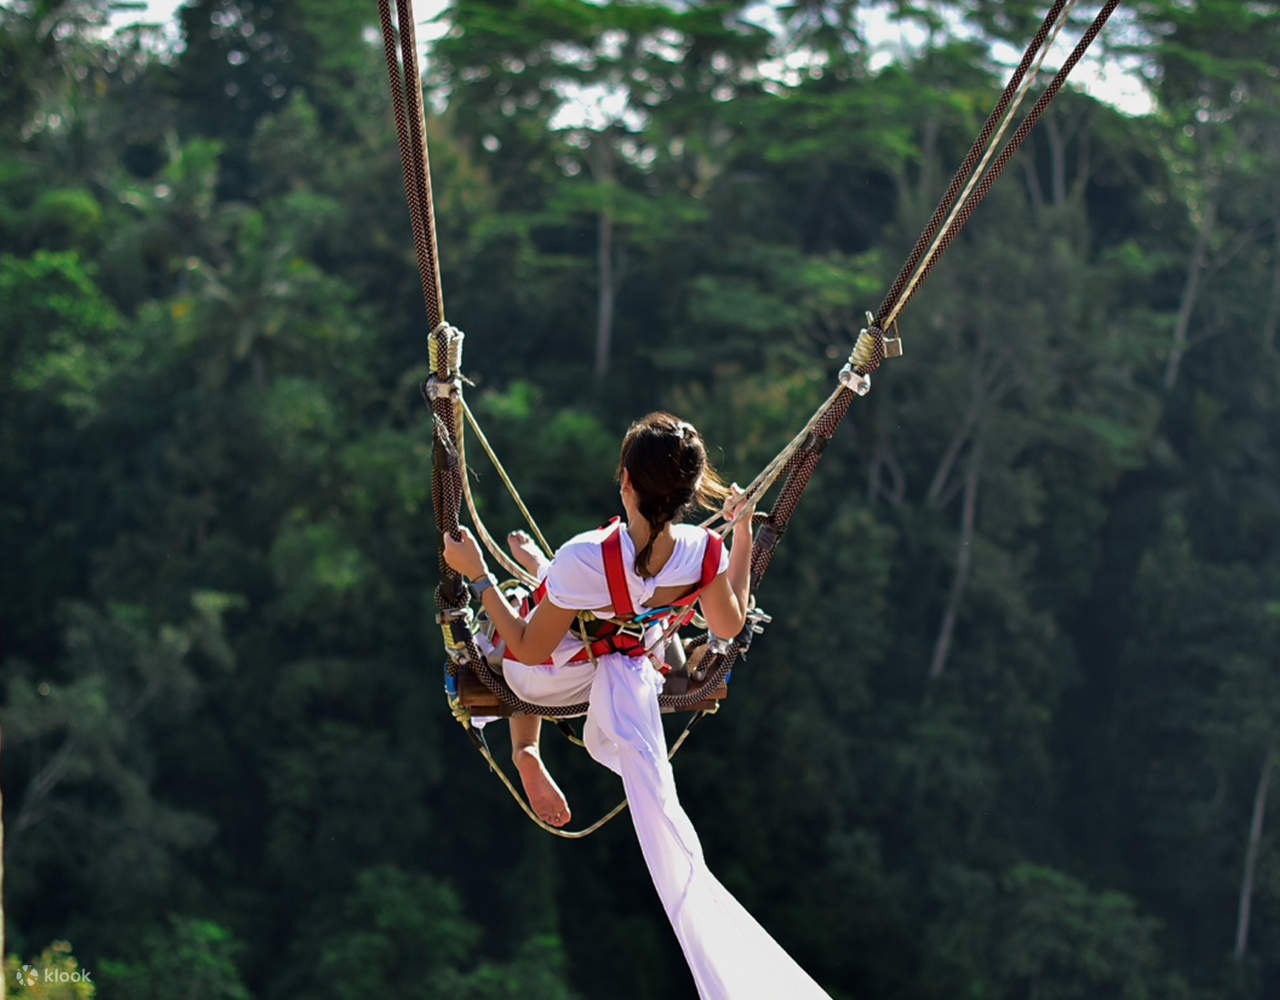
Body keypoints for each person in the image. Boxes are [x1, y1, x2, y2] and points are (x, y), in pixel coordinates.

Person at [444, 412, 832, 999]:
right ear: (689, 492)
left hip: (553, 680)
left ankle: (525, 746)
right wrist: (743, 532)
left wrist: (478, 579)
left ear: (625, 480)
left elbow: (529, 645)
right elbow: (729, 624)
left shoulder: (584, 557)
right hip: (630, 677)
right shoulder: (704, 551)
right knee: (601, 626)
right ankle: (527, 738)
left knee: (517, 618)